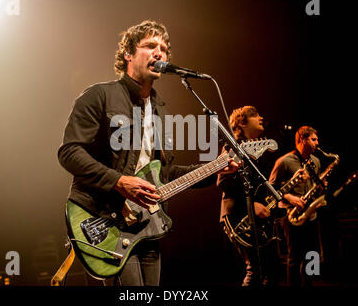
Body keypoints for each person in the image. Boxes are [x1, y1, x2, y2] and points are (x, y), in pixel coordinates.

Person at [58, 20, 238, 286]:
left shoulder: (160, 109)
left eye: (163, 49)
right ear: (128, 54)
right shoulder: (99, 96)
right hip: (105, 219)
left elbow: (164, 172)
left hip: (147, 225)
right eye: (150, 46)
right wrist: (119, 181)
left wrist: (216, 168)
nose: (159, 53)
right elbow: (70, 152)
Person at [217, 106, 279, 286]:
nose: (261, 117)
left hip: (259, 217)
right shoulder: (232, 146)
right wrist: (250, 206)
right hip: (238, 216)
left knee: (271, 270)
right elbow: (223, 182)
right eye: (255, 115)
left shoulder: (255, 148)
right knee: (255, 270)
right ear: (242, 122)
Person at [269, 125, 322, 286]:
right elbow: (271, 188)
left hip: (310, 214)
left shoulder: (316, 161)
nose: (317, 143)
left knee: (313, 254)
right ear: (302, 140)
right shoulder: (284, 161)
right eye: (313, 139)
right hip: (291, 215)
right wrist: (290, 198)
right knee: (295, 257)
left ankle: (310, 284)